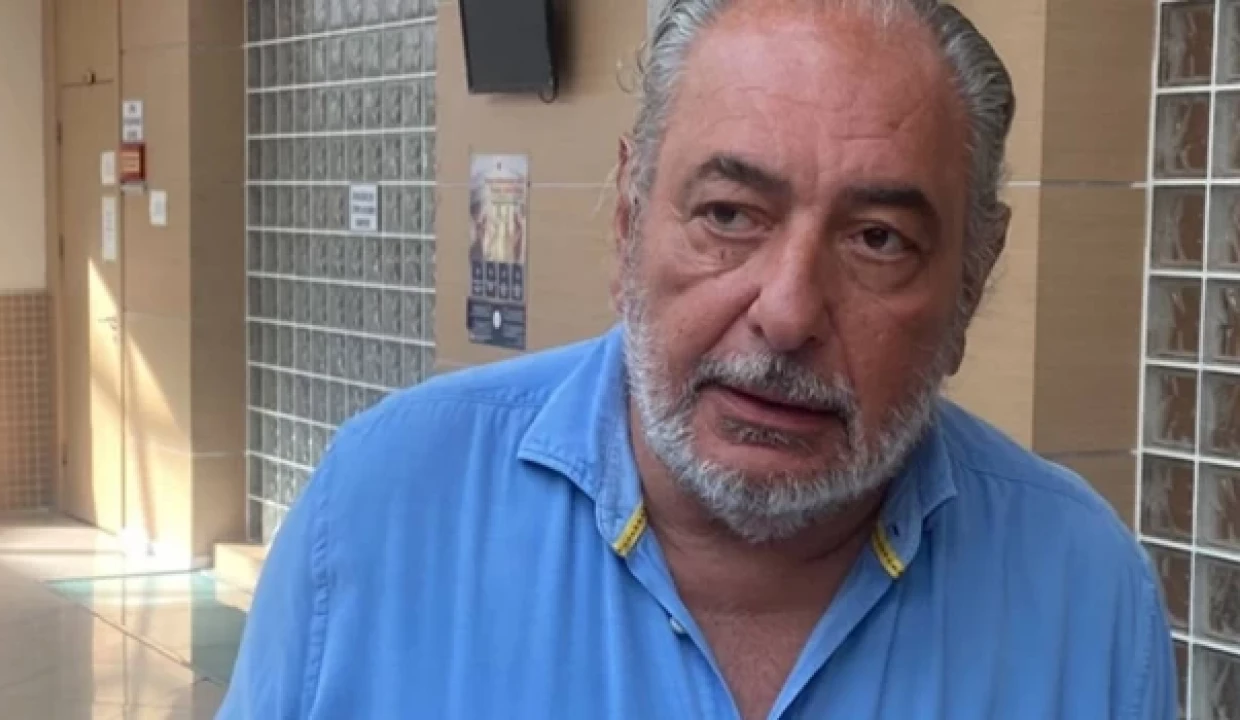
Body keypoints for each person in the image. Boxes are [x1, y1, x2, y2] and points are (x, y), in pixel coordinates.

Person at [219, 1, 1177, 718]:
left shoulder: (1083, 593)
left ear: (972, 277)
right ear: (629, 217)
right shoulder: (383, 509)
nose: (788, 313)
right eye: (728, 214)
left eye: (878, 239)